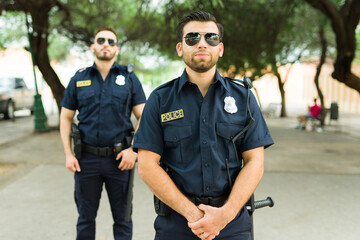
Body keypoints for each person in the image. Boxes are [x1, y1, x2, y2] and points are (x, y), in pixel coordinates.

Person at [133, 11, 274, 240]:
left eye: (211, 37)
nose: (202, 43)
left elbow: (254, 162)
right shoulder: (160, 100)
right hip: (177, 224)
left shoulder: (244, 98)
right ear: (180, 48)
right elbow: (147, 166)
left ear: (220, 48)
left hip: (232, 224)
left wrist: (224, 215)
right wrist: (193, 214)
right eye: (192, 38)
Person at [59, 26, 146, 240]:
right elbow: (65, 117)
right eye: (101, 40)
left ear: (116, 49)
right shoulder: (78, 79)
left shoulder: (129, 78)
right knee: (85, 219)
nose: (106, 44)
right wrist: (68, 154)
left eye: (111, 41)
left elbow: (144, 117)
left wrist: (134, 151)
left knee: (123, 220)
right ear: (93, 47)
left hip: (120, 160)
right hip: (85, 160)